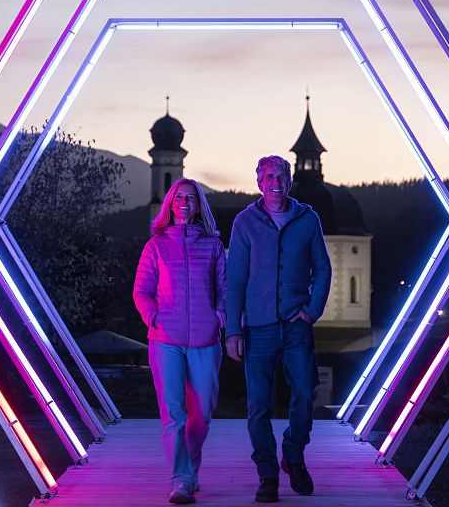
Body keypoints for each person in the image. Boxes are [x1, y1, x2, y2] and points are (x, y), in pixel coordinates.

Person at [226, 155, 331, 503]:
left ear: (289, 181)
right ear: (259, 182)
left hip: (296, 324)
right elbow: (235, 279)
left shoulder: (307, 219)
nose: (276, 182)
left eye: (281, 175)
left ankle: (294, 454)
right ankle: (267, 474)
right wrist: (232, 329)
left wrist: (312, 311)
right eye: (269, 176)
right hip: (257, 328)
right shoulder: (245, 223)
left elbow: (324, 269)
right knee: (259, 405)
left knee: (306, 391)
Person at [134, 178, 226, 505]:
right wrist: (153, 316)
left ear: (199, 205)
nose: (184, 203)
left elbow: (224, 290)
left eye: (191, 198)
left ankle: (189, 467)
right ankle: (180, 479)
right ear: (170, 205)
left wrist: (219, 317)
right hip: (165, 341)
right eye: (179, 198)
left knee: (201, 412)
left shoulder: (213, 246)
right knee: (173, 413)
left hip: (205, 340)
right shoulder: (155, 246)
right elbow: (142, 291)